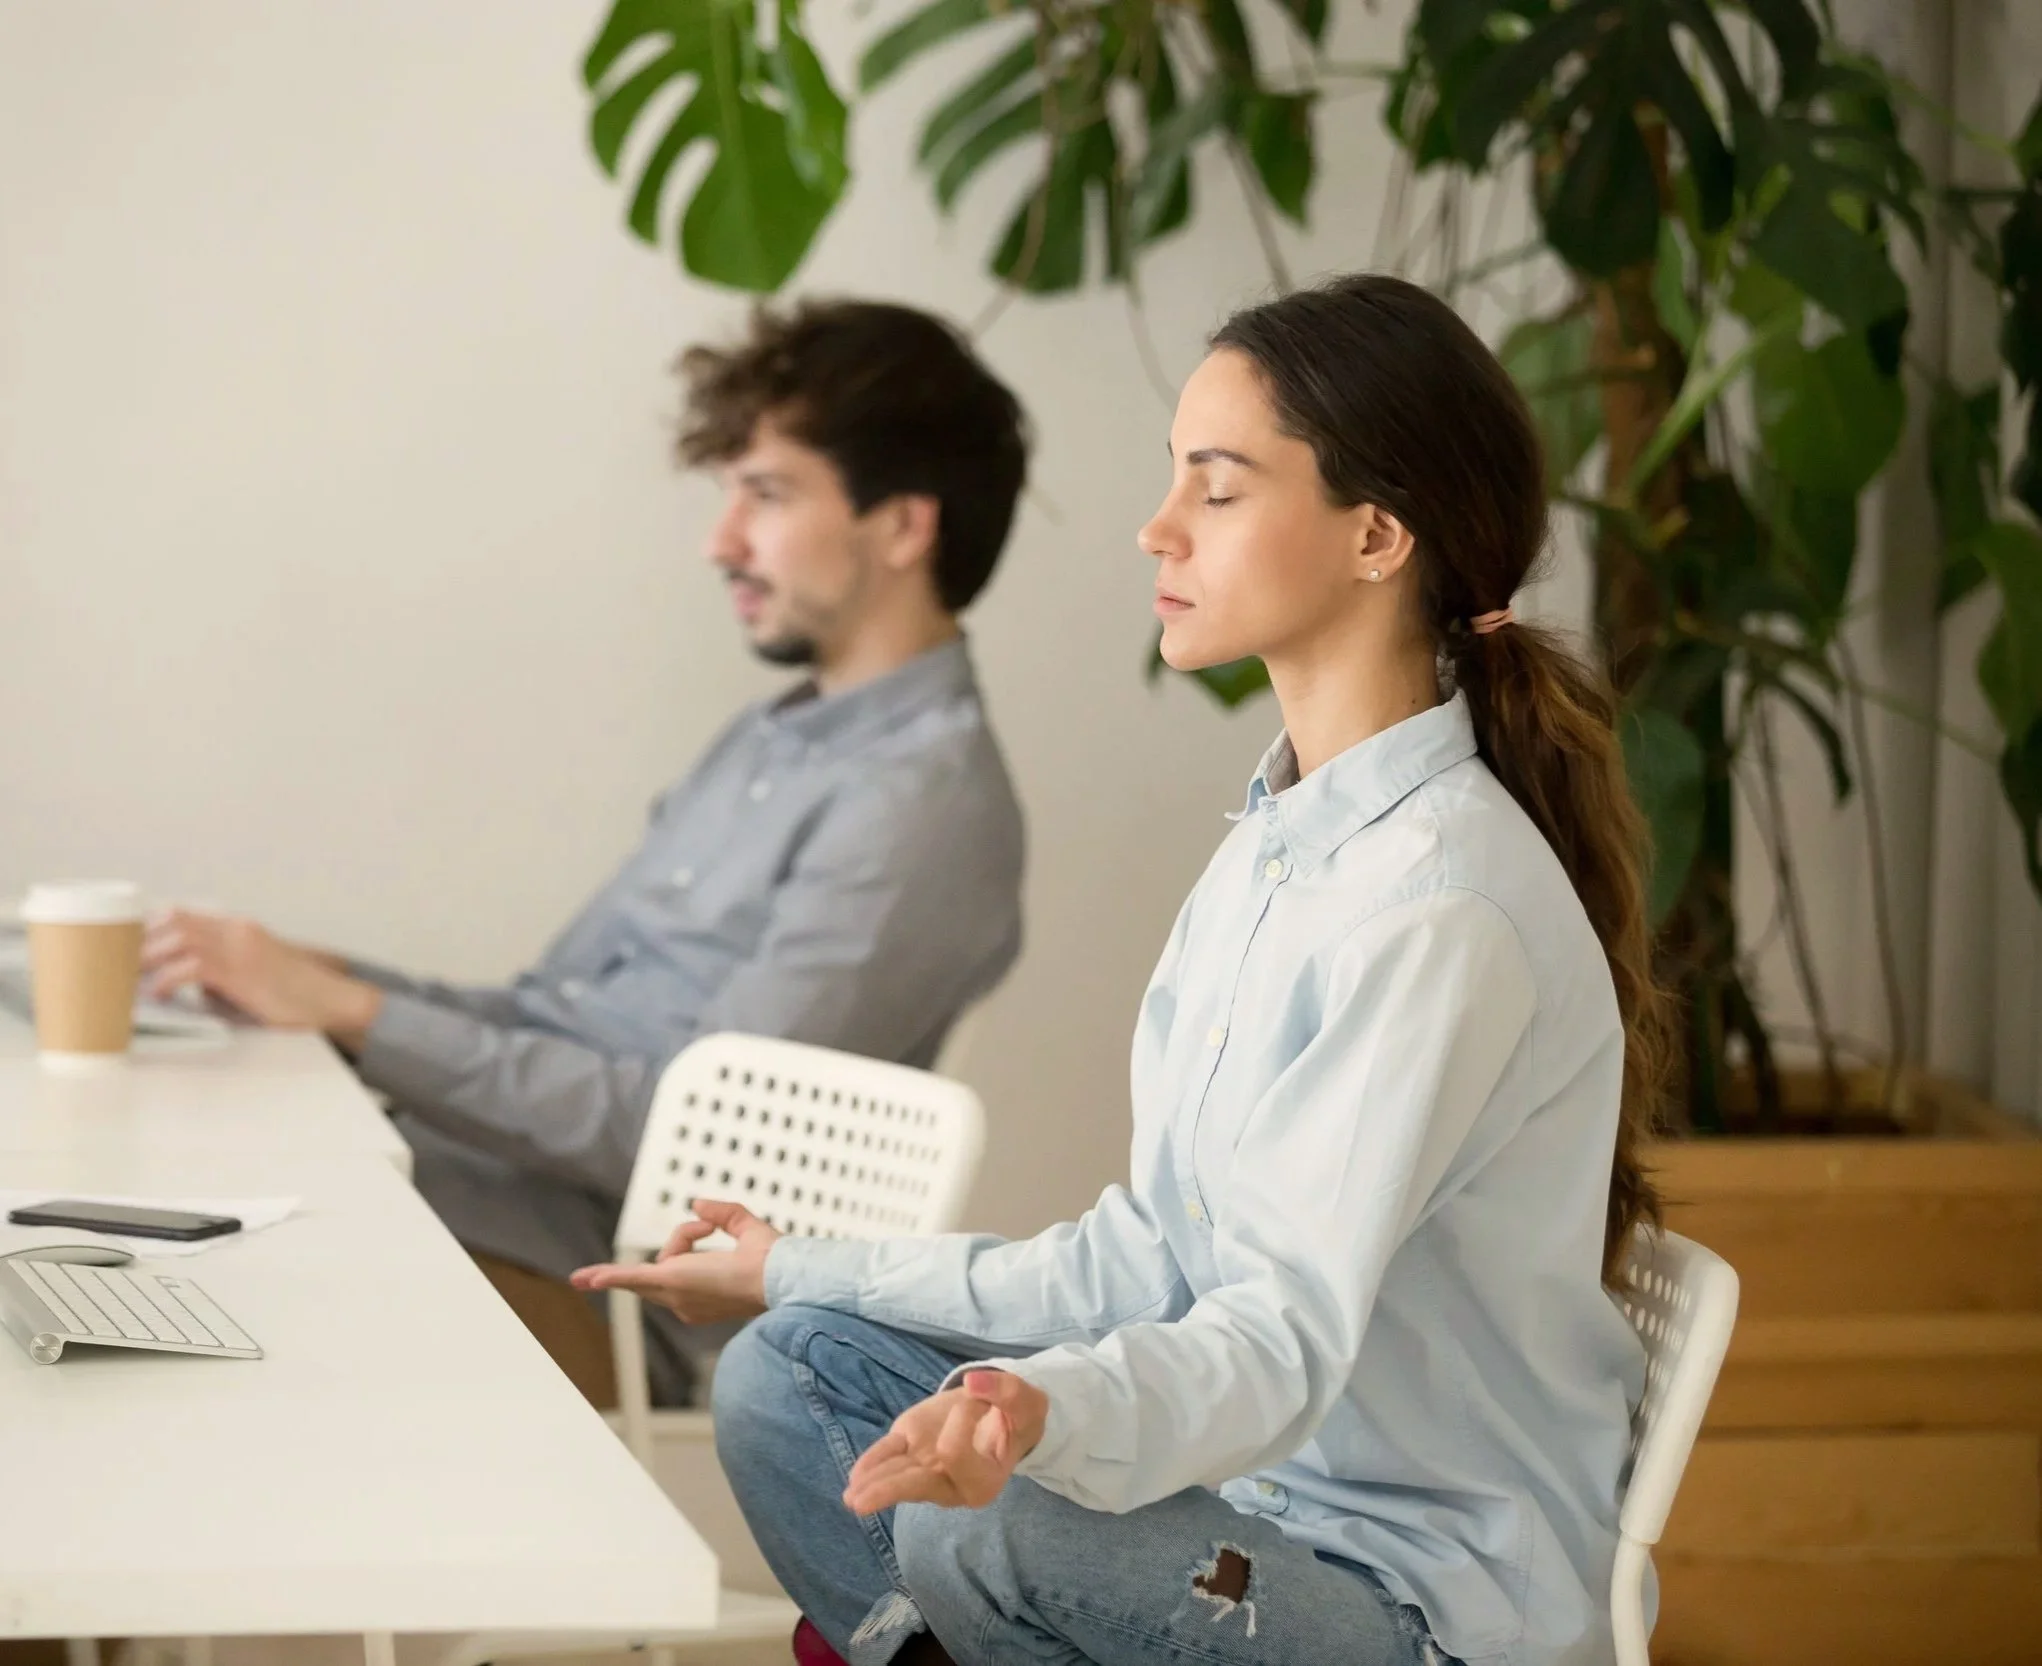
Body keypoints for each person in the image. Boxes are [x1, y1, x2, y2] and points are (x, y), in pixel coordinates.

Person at [574, 272, 1675, 1666]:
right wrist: (795, 1263)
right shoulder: (1279, 844)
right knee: (788, 1369)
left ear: (1376, 534)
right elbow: (1145, 1256)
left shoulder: (1438, 907)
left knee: (989, 1522)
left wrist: (1043, 1416)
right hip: (1244, 1509)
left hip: (1403, 1598)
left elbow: (1277, 1338)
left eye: (1215, 489)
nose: (1155, 528)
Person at [143, 299, 1031, 1408]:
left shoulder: (922, 809)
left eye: (765, 493)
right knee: (150, 1188)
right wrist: (315, 981)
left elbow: (699, 1151)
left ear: (902, 527)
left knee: (198, 1275)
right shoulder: (770, 740)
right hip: (491, 1204)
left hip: (607, 1298)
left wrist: (353, 1016)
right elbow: (549, 1012)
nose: (721, 542)